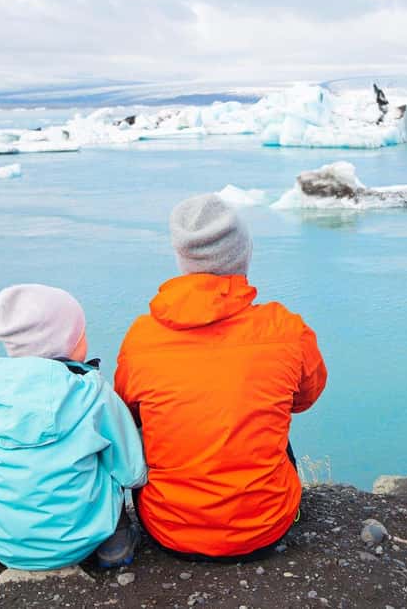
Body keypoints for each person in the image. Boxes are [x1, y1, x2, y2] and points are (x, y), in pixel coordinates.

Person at [114, 193, 327, 562]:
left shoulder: (141, 337)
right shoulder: (286, 329)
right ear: (244, 255)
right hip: (267, 528)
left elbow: (128, 415)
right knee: (268, 418)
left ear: (182, 259)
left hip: (168, 530)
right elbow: (304, 399)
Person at [0, 284, 147, 571]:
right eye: (81, 333)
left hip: (0, 542)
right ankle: (115, 547)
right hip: (80, 541)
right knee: (108, 474)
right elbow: (132, 472)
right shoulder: (96, 395)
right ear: (67, 342)